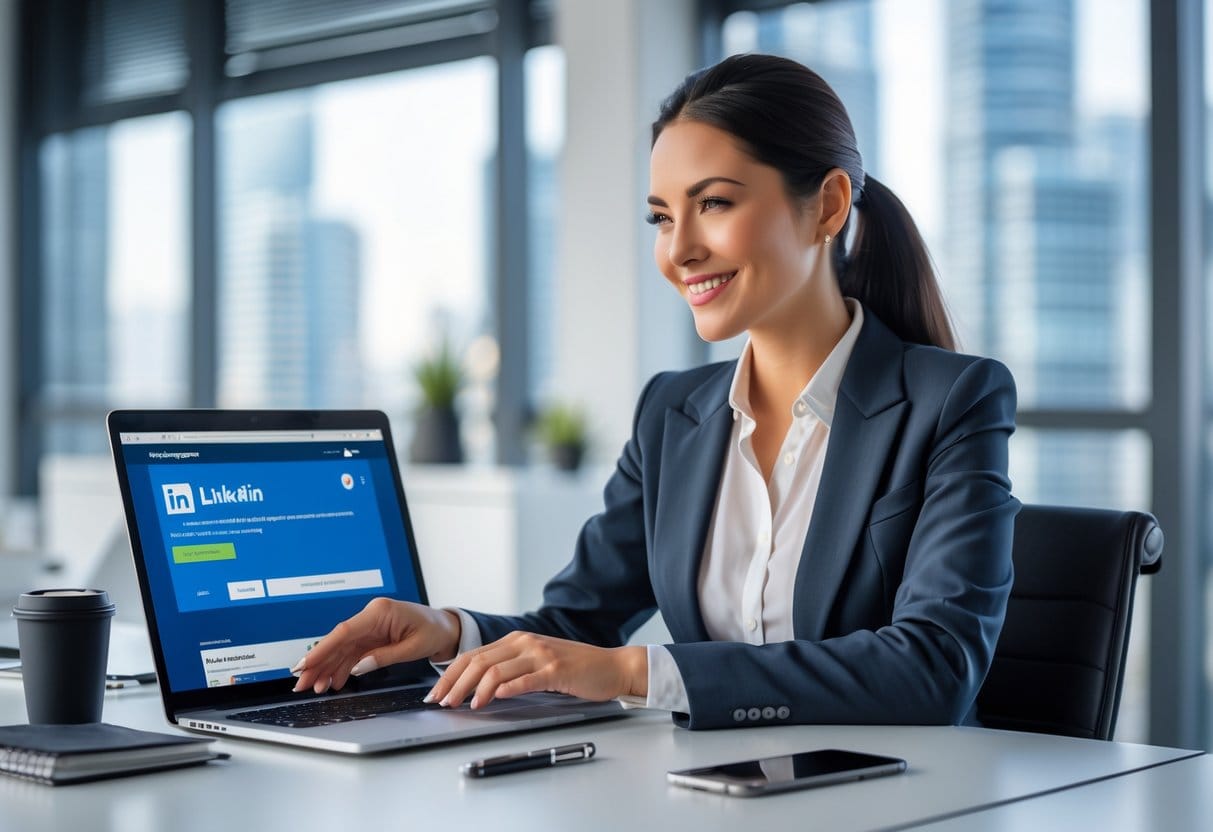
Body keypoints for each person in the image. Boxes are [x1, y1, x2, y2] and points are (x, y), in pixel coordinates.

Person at [291, 54, 1019, 729]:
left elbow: (933, 668)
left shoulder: (951, 400)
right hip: (718, 795)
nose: (677, 252)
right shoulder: (673, 414)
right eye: (662, 217)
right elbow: (578, 627)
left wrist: (637, 673)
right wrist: (451, 630)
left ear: (827, 205)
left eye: (714, 204)